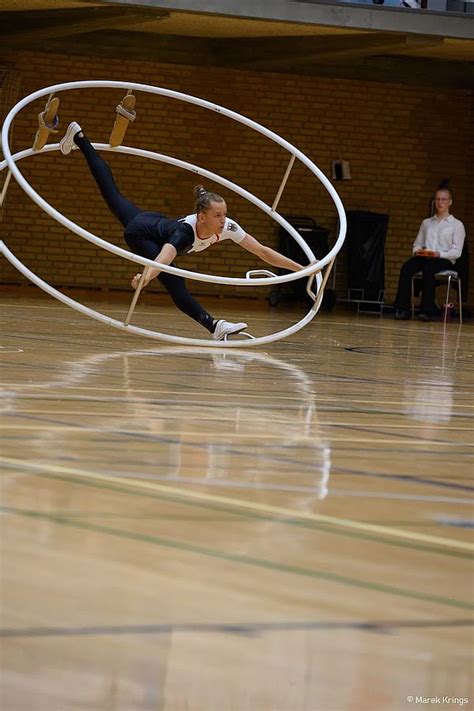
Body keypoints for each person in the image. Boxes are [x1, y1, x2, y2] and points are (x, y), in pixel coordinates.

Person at [58, 121, 304, 340]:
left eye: (225, 214)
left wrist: (301, 269)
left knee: (111, 191)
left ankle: (79, 137)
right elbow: (163, 259)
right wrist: (145, 277)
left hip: (153, 221)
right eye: (218, 215)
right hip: (141, 232)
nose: (223, 219)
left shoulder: (226, 227)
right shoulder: (184, 233)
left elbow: (261, 251)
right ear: (202, 217)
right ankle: (214, 326)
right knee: (175, 280)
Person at [393, 187, 465, 321]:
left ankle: (426, 310)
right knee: (407, 267)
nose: (440, 202)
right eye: (437, 199)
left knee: (429, 269)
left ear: (450, 202)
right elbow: (417, 244)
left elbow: (457, 251)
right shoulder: (426, 223)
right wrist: (418, 252)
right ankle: (402, 309)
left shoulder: (457, 225)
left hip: (445, 258)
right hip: (426, 256)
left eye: (443, 199)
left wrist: (439, 254)